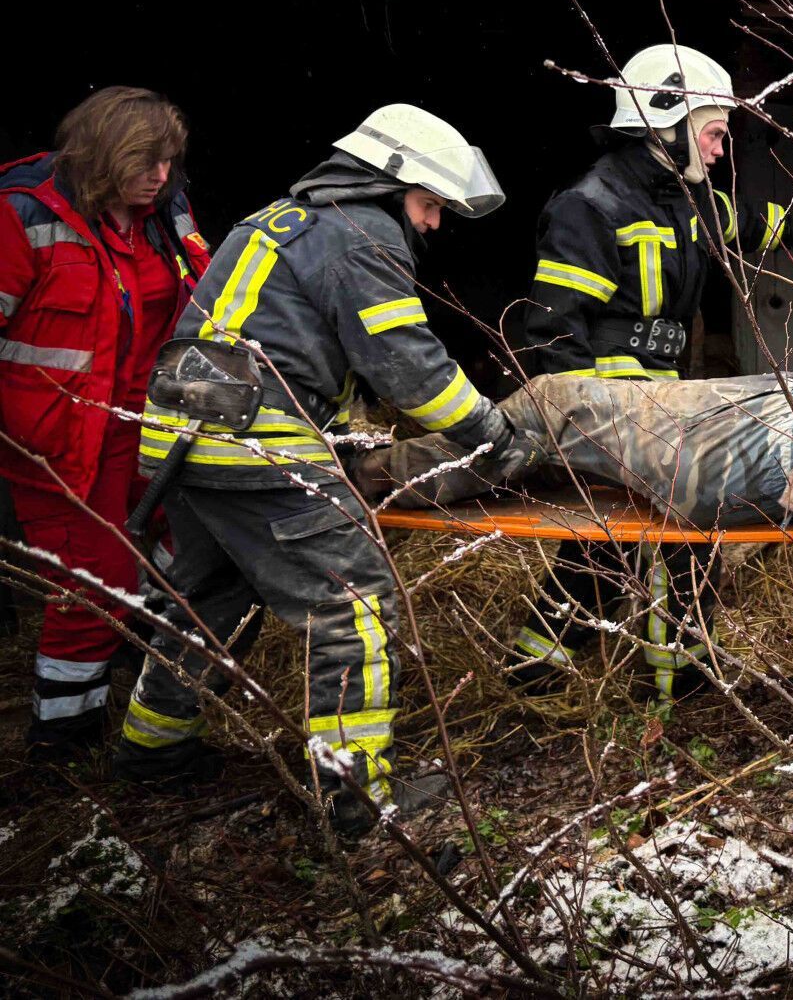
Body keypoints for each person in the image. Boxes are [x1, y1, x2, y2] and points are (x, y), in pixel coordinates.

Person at [112, 105, 532, 836]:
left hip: (185, 439)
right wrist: (490, 430)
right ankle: (356, 800)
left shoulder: (279, 218)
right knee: (353, 605)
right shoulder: (360, 235)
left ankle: (152, 746)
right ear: (388, 181)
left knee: (206, 595)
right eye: (431, 205)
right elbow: (411, 369)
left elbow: (288, 340)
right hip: (258, 446)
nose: (432, 224)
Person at [514, 43, 793, 699]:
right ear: (667, 115)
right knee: (660, 537)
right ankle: (665, 677)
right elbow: (553, 332)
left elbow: (755, 225)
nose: (724, 150)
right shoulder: (592, 204)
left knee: (622, 544)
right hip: (610, 405)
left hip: (668, 399)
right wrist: (578, 431)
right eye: (716, 132)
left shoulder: (687, 201)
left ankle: (549, 667)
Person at [0, 87, 211, 757]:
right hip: (58, 438)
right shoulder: (22, 212)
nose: (161, 174)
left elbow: (204, 293)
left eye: (169, 160)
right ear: (105, 154)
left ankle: (131, 667)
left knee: (190, 542)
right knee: (94, 578)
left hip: (149, 423)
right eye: (147, 160)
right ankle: (63, 735)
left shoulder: (165, 211)